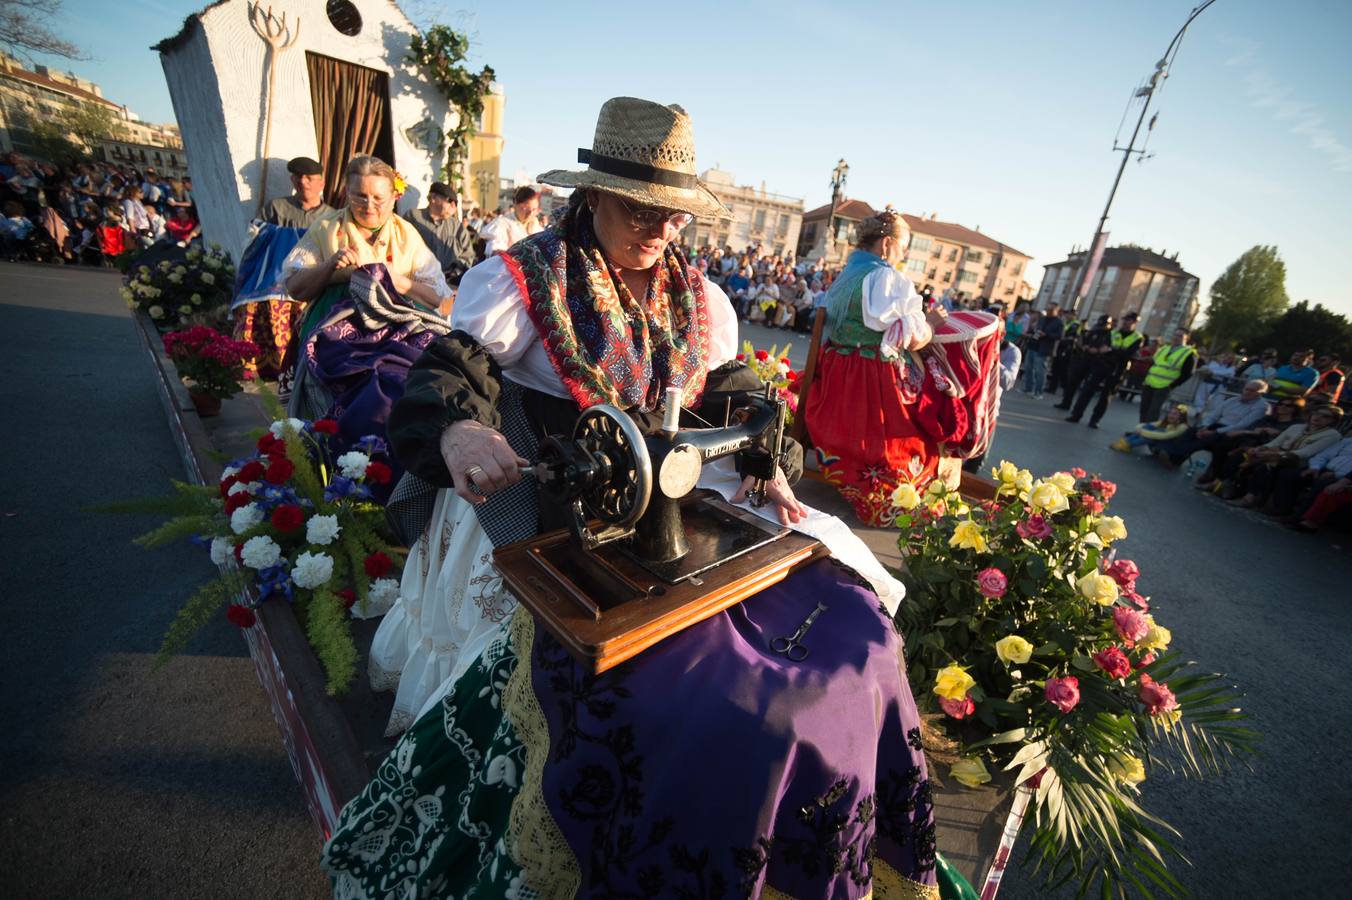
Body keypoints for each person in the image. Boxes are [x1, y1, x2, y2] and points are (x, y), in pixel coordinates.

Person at [327, 97, 945, 900]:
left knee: (845, 617)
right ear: (591, 195)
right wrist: (459, 434)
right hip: (555, 487)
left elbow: (730, 392)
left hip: (665, 497)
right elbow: (450, 372)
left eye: (673, 215)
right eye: (638, 209)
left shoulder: (700, 298)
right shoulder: (522, 280)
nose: (658, 230)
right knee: (642, 670)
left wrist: (770, 451)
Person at [805, 209, 1003, 526]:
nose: (905, 253)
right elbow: (911, 339)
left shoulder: (846, 277)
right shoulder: (886, 277)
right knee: (940, 406)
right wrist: (931, 323)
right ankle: (902, 489)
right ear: (886, 245)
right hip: (870, 381)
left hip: (838, 375)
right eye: (903, 246)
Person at [282, 155, 452, 495]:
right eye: (360, 195)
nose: (369, 205)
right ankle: (331, 483)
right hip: (335, 332)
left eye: (378, 197)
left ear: (393, 197)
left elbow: (438, 296)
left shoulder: (406, 235)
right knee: (340, 399)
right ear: (347, 192)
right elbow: (294, 287)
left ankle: (390, 483)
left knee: (402, 389)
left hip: (394, 330)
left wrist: (396, 281)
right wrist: (330, 265)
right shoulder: (327, 229)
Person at [1221, 404, 1343, 508]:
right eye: (1317, 413)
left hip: (1300, 461)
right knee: (1243, 454)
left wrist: (1272, 454)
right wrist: (1260, 448)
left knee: (1267, 464)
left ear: (1333, 420)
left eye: (1325, 416)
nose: (1318, 417)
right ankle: (1227, 484)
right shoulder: (1297, 427)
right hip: (1279, 453)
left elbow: (1306, 453)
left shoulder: (1332, 435)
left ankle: (1249, 498)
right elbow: (1275, 442)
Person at [1159, 378, 1270, 465]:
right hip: (1216, 426)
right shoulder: (1234, 400)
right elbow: (1214, 414)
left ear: (1260, 393)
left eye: (1252, 391)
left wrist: (1214, 432)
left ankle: (1172, 453)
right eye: (1246, 389)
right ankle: (1175, 458)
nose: (1247, 392)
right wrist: (1204, 427)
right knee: (1191, 431)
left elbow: (1243, 425)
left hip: (1233, 432)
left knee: (1211, 438)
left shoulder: (1261, 406)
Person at [1067, 311, 1142, 428]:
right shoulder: (1113, 333)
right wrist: (1115, 351)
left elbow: (1128, 354)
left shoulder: (1137, 337)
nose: (1125, 322)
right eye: (1125, 320)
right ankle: (1076, 415)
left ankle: (1095, 420)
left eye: (1128, 320)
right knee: (1087, 390)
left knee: (1106, 395)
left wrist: (1112, 350)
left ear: (1134, 322)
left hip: (1118, 368)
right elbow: (1103, 348)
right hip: (1103, 364)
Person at [404, 181, 476, 291]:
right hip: (417, 284)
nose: (454, 206)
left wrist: (452, 274)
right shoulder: (413, 217)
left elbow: (468, 256)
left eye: (455, 203)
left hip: (449, 284)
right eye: (450, 201)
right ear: (433, 198)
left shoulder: (457, 226)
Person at [1057, 313, 1112, 414]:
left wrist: (1097, 350)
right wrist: (1084, 346)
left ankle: (1077, 411)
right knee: (1073, 381)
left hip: (1098, 362)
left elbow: (1108, 348)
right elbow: (1082, 341)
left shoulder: (1110, 335)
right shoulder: (1093, 331)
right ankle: (1066, 402)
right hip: (1085, 358)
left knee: (1087, 388)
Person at [1138, 328, 1197, 423]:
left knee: (1153, 411)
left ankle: (1147, 432)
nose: (1176, 337)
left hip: (1164, 386)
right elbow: (1154, 363)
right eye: (1175, 335)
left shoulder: (1189, 353)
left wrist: (1172, 385)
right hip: (1149, 383)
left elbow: (1188, 373)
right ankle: (1140, 430)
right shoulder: (1164, 349)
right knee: (1144, 408)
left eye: (1180, 336)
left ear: (1186, 338)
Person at [263, 156, 333, 230]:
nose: (302, 182)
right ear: (292, 180)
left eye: (309, 178)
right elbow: (257, 237)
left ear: (321, 184)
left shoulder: (332, 216)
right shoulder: (276, 208)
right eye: (299, 177)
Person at [480, 185, 542, 254]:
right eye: (526, 209)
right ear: (515, 204)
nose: (530, 213)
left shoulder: (536, 226)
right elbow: (495, 246)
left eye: (534, 209)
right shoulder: (502, 223)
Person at [1110, 403, 1191, 455]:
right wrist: (1140, 429)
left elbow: (1164, 436)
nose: (1171, 415)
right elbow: (1147, 425)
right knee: (1150, 427)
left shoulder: (1183, 427)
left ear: (1181, 416)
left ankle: (1127, 444)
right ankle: (1126, 443)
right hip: (1159, 443)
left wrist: (1142, 432)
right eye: (1170, 413)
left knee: (1156, 433)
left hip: (1168, 450)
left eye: (1175, 414)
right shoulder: (1167, 421)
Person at [1022, 303, 1063, 398]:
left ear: (1056, 311)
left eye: (1051, 310)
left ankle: (1038, 392)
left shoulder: (1059, 322)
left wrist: (1047, 335)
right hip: (1033, 345)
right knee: (1028, 368)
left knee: (1040, 371)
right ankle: (1029, 388)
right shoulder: (1042, 319)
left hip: (1044, 349)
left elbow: (1059, 336)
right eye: (1047, 309)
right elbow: (1036, 329)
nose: (1048, 311)